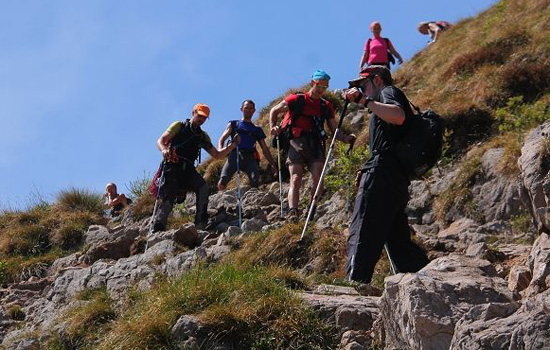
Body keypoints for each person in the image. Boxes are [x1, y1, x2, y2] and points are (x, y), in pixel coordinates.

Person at [342, 65, 429, 286]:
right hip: (395, 176)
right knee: (396, 237)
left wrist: (365, 102)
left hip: (383, 172)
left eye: (363, 84)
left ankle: (355, 284)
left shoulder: (388, 93)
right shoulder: (383, 98)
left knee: (363, 226)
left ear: (377, 80)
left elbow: (398, 116)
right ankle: (422, 280)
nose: (362, 89)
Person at [269, 70, 355, 221]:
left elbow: (334, 128)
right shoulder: (296, 99)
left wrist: (345, 138)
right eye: (319, 86)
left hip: (315, 143)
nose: (322, 90)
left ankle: (311, 209)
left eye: (324, 87)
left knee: (318, 177)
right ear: (312, 83)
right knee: (296, 177)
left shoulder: (325, 106)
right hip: (295, 141)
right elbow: (274, 110)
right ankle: (293, 211)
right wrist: (273, 127)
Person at [152, 103, 238, 232]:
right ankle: (158, 225)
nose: (201, 120)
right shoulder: (179, 126)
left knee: (202, 187)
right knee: (169, 193)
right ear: (193, 113)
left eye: (204, 118)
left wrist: (232, 145)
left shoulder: (202, 136)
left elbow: (217, 154)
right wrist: (164, 150)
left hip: (188, 169)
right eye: (200, 116)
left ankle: (201, 221)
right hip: (173, 166)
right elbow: (161, 140)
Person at [217, 100, 278, 191]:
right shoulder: (234, 124)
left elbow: (264, 148)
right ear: (242, 109)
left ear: (254, 110)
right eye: (246, 108)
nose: (248, 110)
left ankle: (253, 201)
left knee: (255, 180)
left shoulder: (256, 129)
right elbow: (222, 139)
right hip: (234, 155)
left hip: (250, 157)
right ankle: (220, 199)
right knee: (223, 180)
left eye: (251, 108)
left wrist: (272, 164)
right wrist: (220, 150)